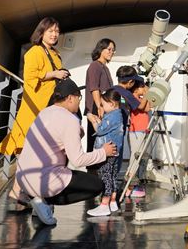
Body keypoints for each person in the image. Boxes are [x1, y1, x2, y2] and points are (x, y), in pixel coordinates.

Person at [15, 78, 117, 225]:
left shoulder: (44, 113)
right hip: (44, 181)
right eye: (78, 98)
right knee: (97, 185)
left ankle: (37, 200)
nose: (79, 102)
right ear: (70, 98)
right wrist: (104, 152)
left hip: (24, 179)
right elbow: (78, 160)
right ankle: (45, 201)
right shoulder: (69, 119)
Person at [0, 17, 70, 206]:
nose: (54, 34)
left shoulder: (55, 53)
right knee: (30, 155)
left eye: (56, 31)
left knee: (35, 156)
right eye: (50, 31)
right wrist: (54, 74)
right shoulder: (35, 52)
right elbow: (29, 79)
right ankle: (24, 193)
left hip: (46, 109)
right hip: (34, 110)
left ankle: (19, 192)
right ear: (41, 33)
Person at [110, 65, 151, 198]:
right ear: (131, 83)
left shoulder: (114, 90)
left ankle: (114, 188)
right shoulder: (126, 93)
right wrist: (148, 93)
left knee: (117, 159)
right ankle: (126, 188)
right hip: (131, 130)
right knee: (133, 158)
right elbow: (141, 107)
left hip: (117, 128)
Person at [86, 88, 124, 216]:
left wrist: (93, 120)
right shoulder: (118, 114)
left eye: (103, 104)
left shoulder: (112, 116)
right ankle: (113, 201)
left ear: (112, 104)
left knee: (105, 176)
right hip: (115, 151)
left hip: (108, 151)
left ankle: (104, 204)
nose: (102, 107)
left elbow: (101, 130)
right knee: (112, 175)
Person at [85, 38, 115, 151]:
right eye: (109, 49)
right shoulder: (95, 66)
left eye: (113, 50)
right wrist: (99, 106)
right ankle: (92, 168)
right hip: (96, 110)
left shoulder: (105, 67)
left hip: (104, 110)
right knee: (95, 142)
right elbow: (94, 88)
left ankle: (100, 167)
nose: (111, 52)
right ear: (101, 49)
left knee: (103, 141)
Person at [126, 78, 152, 198]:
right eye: (143, 87)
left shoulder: (140, 98)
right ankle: (129, 186)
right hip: (136, 131)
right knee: (135, 156)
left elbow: (148, 108)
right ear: (137, 88)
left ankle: (134, 184)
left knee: (140, 156)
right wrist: (147, 94)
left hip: (143, 130)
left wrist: (147, 95)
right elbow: (142, 107)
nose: (144, 89)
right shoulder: (133, 98)